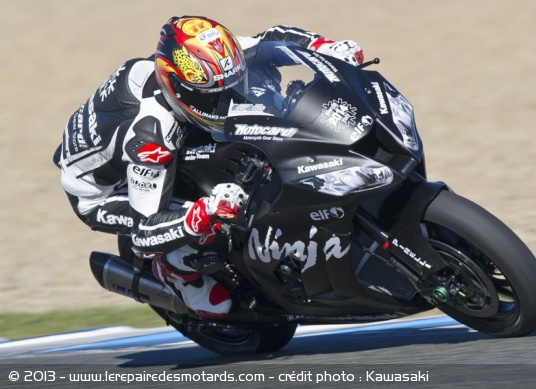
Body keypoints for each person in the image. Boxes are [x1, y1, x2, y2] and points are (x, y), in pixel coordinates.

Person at [57, 16, 364, 318]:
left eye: (229, 85)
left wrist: (326, 48)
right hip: (105, 191)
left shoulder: (208, 64)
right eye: (213, 94)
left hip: (143, 138)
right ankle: (175, 271)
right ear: (177, 86)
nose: (224, 98)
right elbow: (144, 230)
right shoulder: (151, 136)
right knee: (214, 222)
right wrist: (204, 213)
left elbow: (273, 39)